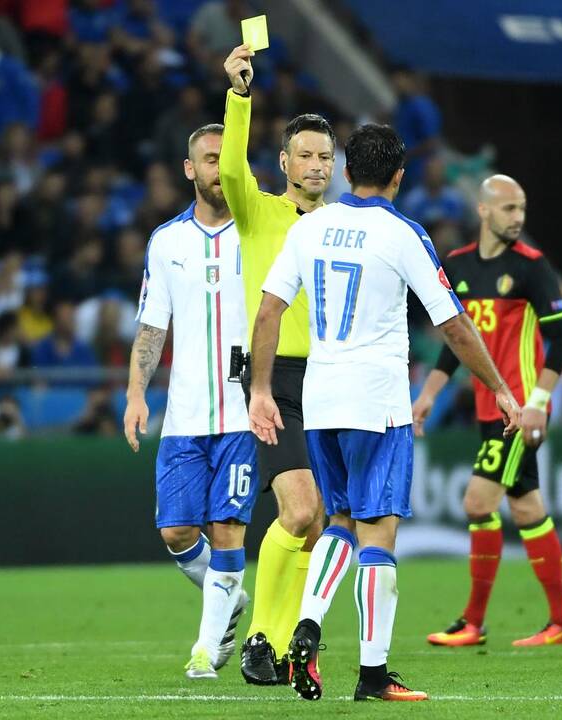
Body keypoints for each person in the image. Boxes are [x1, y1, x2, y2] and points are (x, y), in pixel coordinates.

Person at [248, 123, 520, 702]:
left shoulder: (311, 226)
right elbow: (452, 322)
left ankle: (309, 623)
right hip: (377, 400)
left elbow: (269, 312)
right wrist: (496, 385)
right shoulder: (403, 234)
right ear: (399, 176)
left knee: (339, 521)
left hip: (319, 400)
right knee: (379, 532)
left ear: (347, 171)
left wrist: (262, 389)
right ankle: (373, 675)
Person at [413, 174, 562, 648]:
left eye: (522, 208)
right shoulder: (460, 266)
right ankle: (561, 620)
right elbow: (458, 342)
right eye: (509, 209)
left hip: (519, 411)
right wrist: (428, 394)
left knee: (477, 502)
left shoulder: (531, 267)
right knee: (527, 509)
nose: (519, 218)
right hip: (491, 406)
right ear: (483, 211)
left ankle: (473, 620)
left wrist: (539, 402)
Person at [123, 123, 259, 680]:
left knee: (228, 529)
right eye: (208, 160)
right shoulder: (166, 241)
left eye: (225, 160)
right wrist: (135, 393)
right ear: (190, 169)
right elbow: (152, 327)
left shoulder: (258, 232)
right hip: (183, 418)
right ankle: (229, 598)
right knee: (177, 532)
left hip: (243, 415)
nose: (217, 170)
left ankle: (205, 650)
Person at [220, 44, 333, 685]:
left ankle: (287, 641)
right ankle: (261, 640)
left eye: (325, 156)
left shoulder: (348, 224)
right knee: (297, 511)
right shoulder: (259, 209)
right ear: (285, 162)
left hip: (333, 380)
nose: (316, 165)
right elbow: (231, 170)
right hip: (274, 380)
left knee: (317, 525)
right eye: (306, 156)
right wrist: (239, 96)